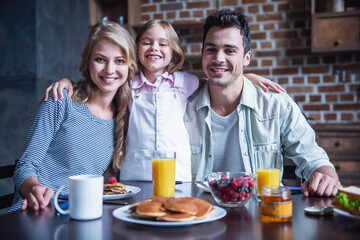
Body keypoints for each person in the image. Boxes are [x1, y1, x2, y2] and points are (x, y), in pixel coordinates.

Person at [44, 19, 285, 182]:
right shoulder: (128, 82)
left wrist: (246, 75)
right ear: (136, 49)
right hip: (135, 173)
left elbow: (217, 81)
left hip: (177, 174)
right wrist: (67, 81)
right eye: (146, 42)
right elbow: (100, 82)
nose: (154, 48)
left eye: (162, 43)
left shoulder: (184, 82)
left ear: (173, 52)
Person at [185, 9, 340, 197]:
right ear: (202, 55)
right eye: (211, 49)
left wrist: (326, 177)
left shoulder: (277, 105)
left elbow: (315, 160)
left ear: (246, 57)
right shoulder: (183, 108)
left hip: (262, 216)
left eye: (230, 50)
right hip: (200, 215)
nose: (218, 58)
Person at [9, 21, 137, 212]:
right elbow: (25, 166)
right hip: (36, 212)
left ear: (130, 66)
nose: (110, 70)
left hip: (79, 213)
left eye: (119, 61)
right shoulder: (61, 100)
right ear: (87, 62)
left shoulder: (124, 115)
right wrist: (34, 188)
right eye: (100, 59)